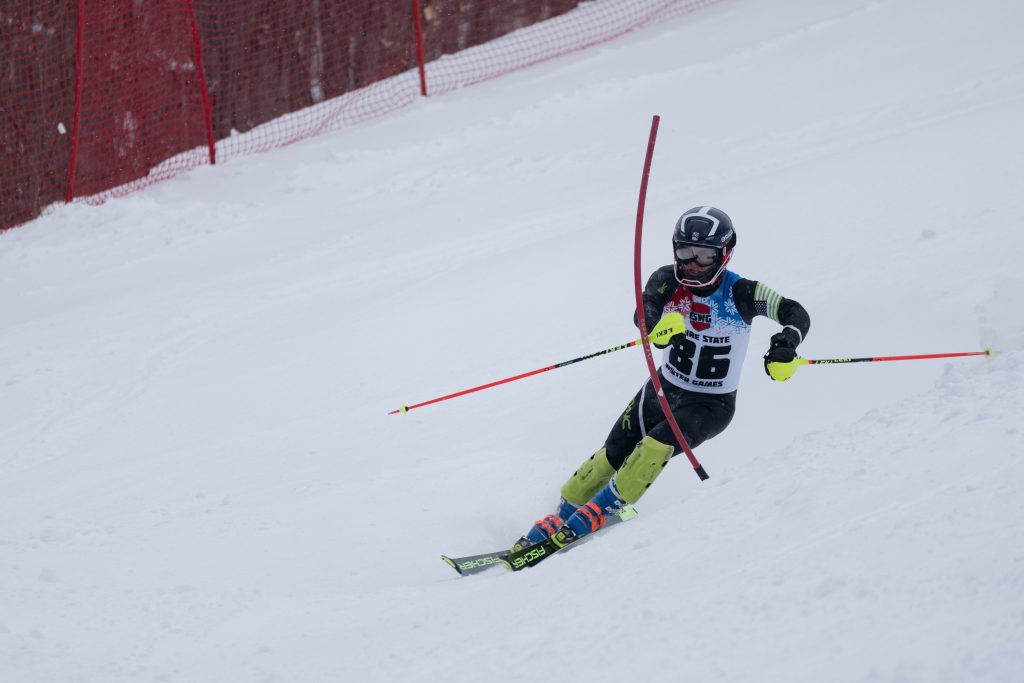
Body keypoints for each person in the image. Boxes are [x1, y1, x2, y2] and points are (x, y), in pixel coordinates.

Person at [515, 205, 811, 549]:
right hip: (661, 388)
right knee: (612, 454)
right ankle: (563, 513)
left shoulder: (743, 293)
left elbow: (794, 311)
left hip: (710, 404)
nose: (693, 264)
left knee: (652, 448)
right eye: (685, 251)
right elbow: (644, 313)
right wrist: (654, 328)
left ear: (724, 254)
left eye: (704, 255)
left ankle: (603, 511)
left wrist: (785, 344)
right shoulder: (666, 280)